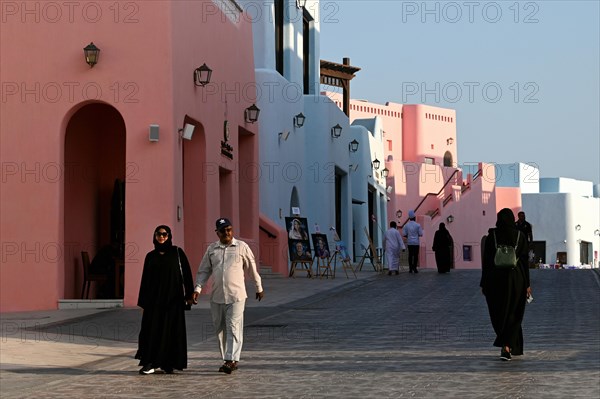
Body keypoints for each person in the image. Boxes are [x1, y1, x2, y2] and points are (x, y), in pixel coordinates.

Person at [192, 218, 264, 374]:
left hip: (236, 295)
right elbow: (204, 271)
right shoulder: (212, 249)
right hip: (217, 296)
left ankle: (231, 360)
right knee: (220, 329)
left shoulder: (241, 247)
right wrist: (197, 289)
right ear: (217, 232)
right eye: (223, 230)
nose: (226, 233)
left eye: (229, 229)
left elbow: (252, 268)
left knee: (233, 326)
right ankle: (227, 358)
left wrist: (258, 287)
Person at [136, 225, 195, 375]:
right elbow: (145, 280)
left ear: (169, 236)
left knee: (171, 330)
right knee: (152, 330)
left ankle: (169, 362)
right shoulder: (150, 256)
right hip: (154, 301)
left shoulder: (177, 253)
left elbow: (186, 275)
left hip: (173, 300)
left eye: (164, 234)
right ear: (154, 236)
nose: (161, 237)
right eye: (158, 234)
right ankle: (150, 363)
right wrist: (143, 302)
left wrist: (189, 295)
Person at [480, 208, 532, 361]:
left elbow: (487, 262)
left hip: (495, 280)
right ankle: (507, 345)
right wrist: (527, 284)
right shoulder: (519, 236)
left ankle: (505, 344)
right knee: (514, 313)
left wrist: (484, 282)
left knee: (498, 313)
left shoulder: (492, 236)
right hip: (516, 279)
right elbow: (523, 262)